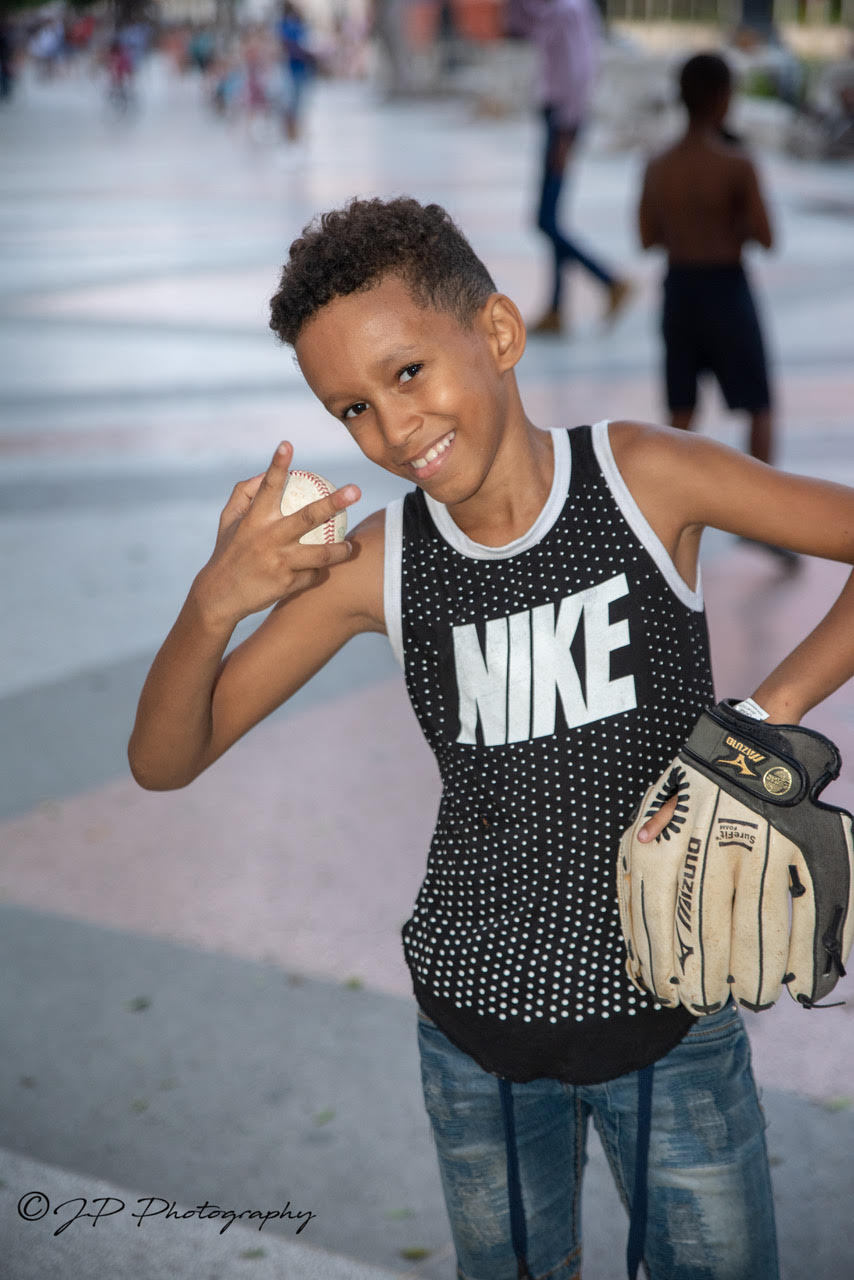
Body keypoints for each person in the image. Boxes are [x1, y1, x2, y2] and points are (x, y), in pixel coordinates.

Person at [129, 196, 854, 1280]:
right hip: (474, 1037)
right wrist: (211, 605)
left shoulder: (640, 477)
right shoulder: (380, 561)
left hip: (671, 1017)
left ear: (499, 334)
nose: (392, 426)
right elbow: (166, 756)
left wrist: (763, 713)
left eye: (408, 372)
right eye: (352, 408)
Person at [638, 52, 776, 468]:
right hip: (726, 288)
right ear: (723, 98)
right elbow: (767, 238)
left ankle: (680, 516)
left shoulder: (658, 166)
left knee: (681, 408)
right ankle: (767, 512)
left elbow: (647, 238)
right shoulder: (737, 164)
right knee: (757, 403)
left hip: (679, 287)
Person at [506, 0, 633, 334]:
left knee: (545, 220)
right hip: (556, 117)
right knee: (552, 218)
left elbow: (581, 70)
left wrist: (567, 129)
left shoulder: (567, 10)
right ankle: (557, 308)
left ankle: (610, 280)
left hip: (562, 121)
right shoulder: (555, 10)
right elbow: (519, 24)